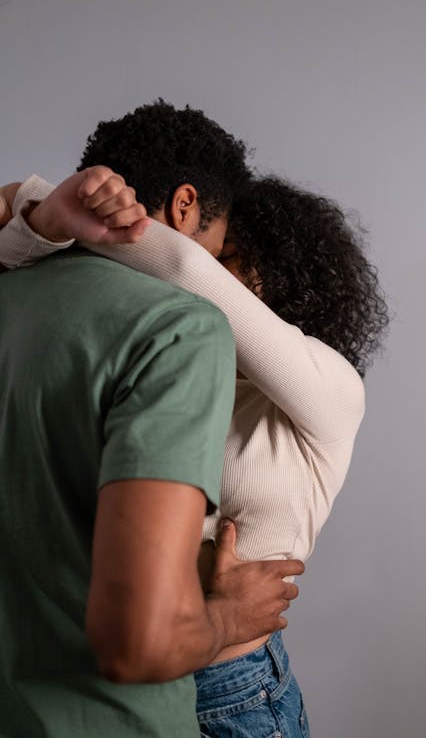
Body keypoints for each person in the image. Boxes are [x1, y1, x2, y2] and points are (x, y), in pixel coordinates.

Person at [0, 104, 304, 738]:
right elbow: (136, 646)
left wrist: (33, 214)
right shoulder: (180, 330)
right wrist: (228, 617)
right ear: (184, 205)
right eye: (219, 254)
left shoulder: (11, 286)